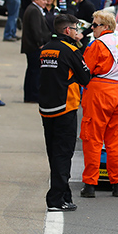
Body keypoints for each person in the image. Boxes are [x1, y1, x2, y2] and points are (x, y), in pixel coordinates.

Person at [80, 11, 118, 199]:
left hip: (99, 91)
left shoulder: (97, 45)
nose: (92, 28)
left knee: (92, 138)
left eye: (94, 25)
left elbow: (85, 69)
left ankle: (90, 184)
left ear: (105, 26)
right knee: (117, 141)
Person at [39, 13, 90, 212]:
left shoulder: (46, 49)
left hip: (46, 107)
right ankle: (55, 199)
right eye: (76, 29)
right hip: (65, 108)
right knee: (63, 154)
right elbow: (85, 77)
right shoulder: (70, 50)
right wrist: (80, 47)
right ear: (67, 31)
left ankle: (64, 194)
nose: (79, 32)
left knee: (54, 153)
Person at [21, 0, 52, 103]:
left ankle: (29, 95)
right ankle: (33, 95)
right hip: (34, 47)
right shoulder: (34, 10)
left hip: (31, 46)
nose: (46, 2)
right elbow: (36, 29)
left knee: (31, 71)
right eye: (43, 0)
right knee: (35, 72)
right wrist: (40, 44)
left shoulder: (33, 9)